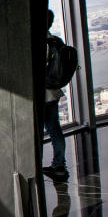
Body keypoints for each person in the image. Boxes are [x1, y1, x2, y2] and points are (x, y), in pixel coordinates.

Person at [44, 10, 68, 183]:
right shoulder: (56, 41)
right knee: (55, 129)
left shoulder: (39, 44)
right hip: (53, 92)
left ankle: (33, 167)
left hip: (40, 95)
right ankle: (59, 165)